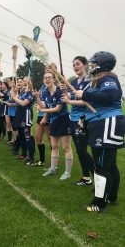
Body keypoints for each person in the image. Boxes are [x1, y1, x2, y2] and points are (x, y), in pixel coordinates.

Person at [75, 51, 125, 212]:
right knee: (109, 166)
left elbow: (109, 95)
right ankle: (111, 197)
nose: (91, 66)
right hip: (100, 123)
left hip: (107, 123)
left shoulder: (108, 78)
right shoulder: (96, 80)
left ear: (102, 65)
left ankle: (99, 203)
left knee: (102, 167)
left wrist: (85, 93)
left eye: (94, 64)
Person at [61, 56, 94, 185]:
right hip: (73, 119)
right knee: (80, 151)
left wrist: (69, 101)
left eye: (78, 64)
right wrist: (64, 90)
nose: (75, 66)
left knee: (82, 150)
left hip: (83, 120)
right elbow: (69, 96)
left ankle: (98, 178)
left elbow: (86, 102)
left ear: (85, 65)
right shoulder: (74, 82)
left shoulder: (90, 81)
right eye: (73, 64)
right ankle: (86, 178)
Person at [38, 72, 73, 180]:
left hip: (63, 119)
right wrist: (37, 99)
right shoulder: (45, 92)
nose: (47, 79)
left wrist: (42, 110)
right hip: (53, 120)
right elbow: (44, 105)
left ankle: (67, 172)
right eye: (45, 78)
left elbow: (57, 109)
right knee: (54, 146)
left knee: (66, 147)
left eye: (49, 78)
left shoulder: (59, 90)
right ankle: (52, 169)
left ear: (54, 79)